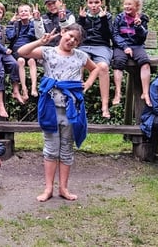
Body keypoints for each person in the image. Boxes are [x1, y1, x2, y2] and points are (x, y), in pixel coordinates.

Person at [18, 23, 99, 202]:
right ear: (62, 33)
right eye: (69, 36)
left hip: (72, 108)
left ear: (79, 43)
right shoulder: (47, 52)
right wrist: (41, 41)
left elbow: (96, 69)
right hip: (50, 107)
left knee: (66, 148)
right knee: (51, 148)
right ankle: (48, 188)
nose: (71, 41)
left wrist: (88, 84)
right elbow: (22, 52)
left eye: (76, 40)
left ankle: (63, 188)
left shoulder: (81, 56)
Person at [77, 0, 114, 118]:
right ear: (87, 3)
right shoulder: (83, 16)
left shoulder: (107, 16)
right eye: (91, 2)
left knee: (103, 66)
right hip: (85, 46)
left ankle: (105, 106)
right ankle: (78, 95)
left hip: (101, 46)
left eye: (96, 2)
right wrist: (81, 20)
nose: (93, 5)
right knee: (80, 60)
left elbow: (108, 35)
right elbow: (78, 35)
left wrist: (103, 20)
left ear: (101, 3)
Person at [111, 0, 151, 107]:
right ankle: (118, 93)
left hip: (137, 46)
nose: (127, 6)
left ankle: (145, 93)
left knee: (145, 62)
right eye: (125, 4)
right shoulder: (119, 18)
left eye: (130, 4)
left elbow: (143, 37)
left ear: (137, 6)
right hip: (121, 46)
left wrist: (138, 27)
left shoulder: (142, 18)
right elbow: (115, 34)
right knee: (118, 62)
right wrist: (125, 47)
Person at [6, 4, 39, 101]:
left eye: (26, 11)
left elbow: (32, 35)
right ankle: (24, 89)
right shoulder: (16, 25)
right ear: (18, 14)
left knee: (32, 61)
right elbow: (10, 37)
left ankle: (33, 88)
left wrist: (32, 21)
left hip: (29, 49)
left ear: (30, 14)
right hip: (17, 50)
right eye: (21, 11)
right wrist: (11, 23)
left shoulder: (32, 24)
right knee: (20, 61)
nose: (24, 13)